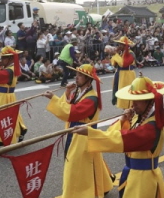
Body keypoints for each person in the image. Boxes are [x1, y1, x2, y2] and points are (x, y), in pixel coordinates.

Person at [72, 74, 164, 198]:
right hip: (135, 174)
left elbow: (124, 139)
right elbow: (114, 133)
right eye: (133, 100)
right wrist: (123, 119)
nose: (133, 105)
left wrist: (91, 133)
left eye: (138, 101)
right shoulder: (141, 116)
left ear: (149, 101)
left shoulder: (151, 127)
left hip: (145, 180)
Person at [41, 64, 113, 198]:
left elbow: (72, 112)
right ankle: (102, 186)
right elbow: (68, 106)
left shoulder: (92, 98)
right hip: (76, 132)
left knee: (75, 165)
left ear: (88, 79)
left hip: (83, 134)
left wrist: (54, 99)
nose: (76, 77)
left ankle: (74, 195)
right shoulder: (80, 93)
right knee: (89, 161)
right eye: (77, 74)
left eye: (80, 75)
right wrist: (67, 92)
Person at [109, 36, 136, 108]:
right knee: (119, 90)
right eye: (119, 44)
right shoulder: (121, 53)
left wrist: (115, 55)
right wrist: (114, 54)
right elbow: (113, 64)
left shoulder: (131, 53)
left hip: (127, 75)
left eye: (121, 44)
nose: (119, 46)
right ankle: (124, 107)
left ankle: (129, 107)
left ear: (125, 45)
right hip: (119, 74)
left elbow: (123, 64)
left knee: (126, 91)